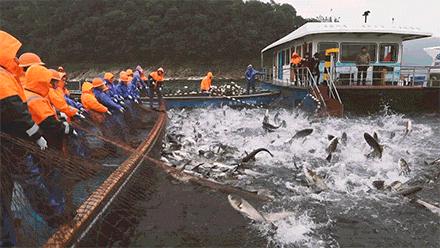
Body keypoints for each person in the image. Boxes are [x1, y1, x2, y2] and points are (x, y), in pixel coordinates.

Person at [0, 31, 48, 246]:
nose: (16, 58)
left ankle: (6, 236)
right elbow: (15, 109)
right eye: (13, 53)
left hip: (8, 144)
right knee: (31, 181)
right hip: (11, 146)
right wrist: (35, 135)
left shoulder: (7, 76)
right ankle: (55, 216)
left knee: (4, 191)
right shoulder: (2, 78)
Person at [24, 64, 77, 227]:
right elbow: (50, 124)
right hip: (46, 147)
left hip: (39, 146)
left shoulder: (29, 94)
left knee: (47, 178)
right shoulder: (36, 99)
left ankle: (57, 210)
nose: (50, 85)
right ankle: (59, 213)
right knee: (51, 178)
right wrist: (67, 127)